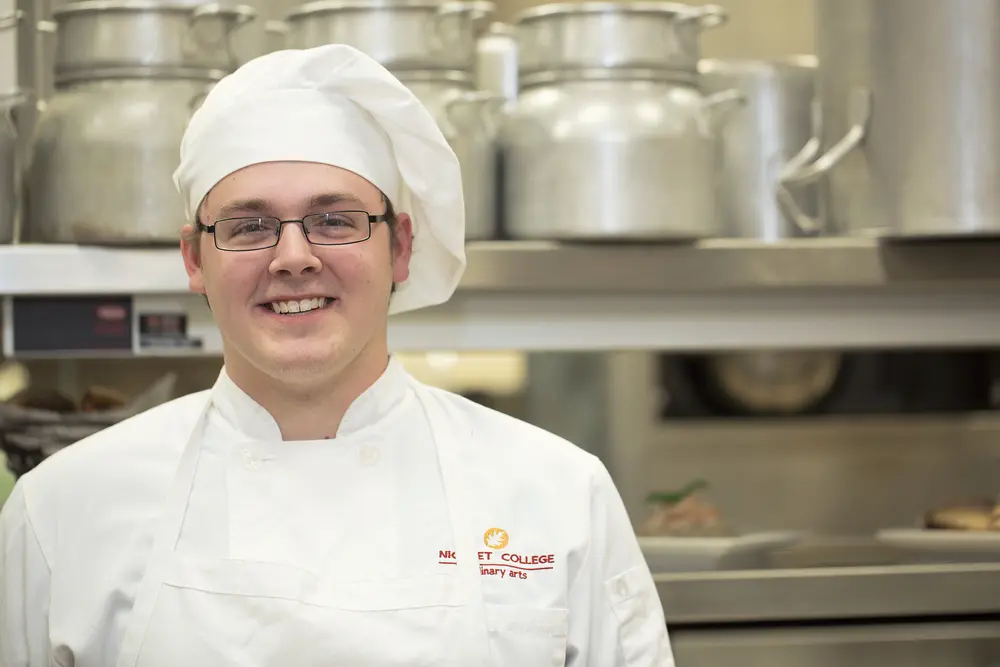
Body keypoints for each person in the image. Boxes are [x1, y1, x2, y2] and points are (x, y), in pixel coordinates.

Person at [0, 45, 672, 666]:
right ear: (194, 258)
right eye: (249, 226)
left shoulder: (556, 496)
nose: (294, 257)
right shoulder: (63, 511)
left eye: (334, 219)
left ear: (400, 247)